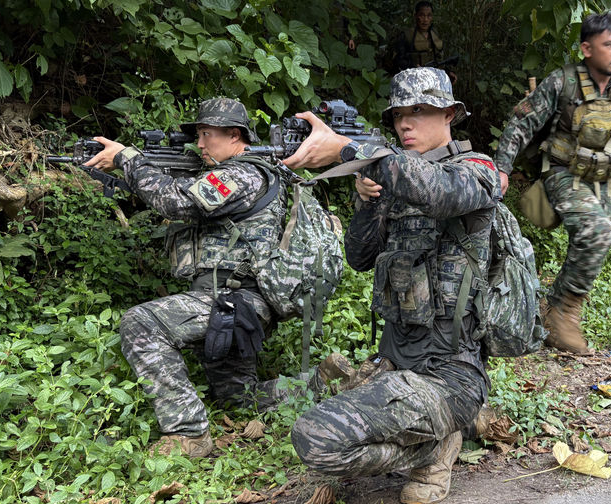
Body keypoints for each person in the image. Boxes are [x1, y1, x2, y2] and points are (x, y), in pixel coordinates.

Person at [283, 67, 499, 504]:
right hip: (397, 361)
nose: (405, 122)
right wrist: (366, 202)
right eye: (399, 113)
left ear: (449, 115)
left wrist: (350, 148)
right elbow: (359, 258)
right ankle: (437, 438)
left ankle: (437, 446)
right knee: (313, 427)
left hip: (451, 373)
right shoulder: (394, 178)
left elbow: (441, 193)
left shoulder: (477, 171)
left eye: (419, 110)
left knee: (318, 436)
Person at [83, 98, 295, 457]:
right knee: (238, 399)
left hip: (231, 302)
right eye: (198, 135)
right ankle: (325, 383)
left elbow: (177, 203)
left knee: (141, 323)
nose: (199, 144)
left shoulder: (243, 174)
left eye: (206, 134)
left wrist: (128, 159)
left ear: (234, 136)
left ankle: (188, 433)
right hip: (231, 305)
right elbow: (168, 196)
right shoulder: (226, 173)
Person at [494, 11, 611, 355]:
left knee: (589, 243)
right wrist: (501, 168)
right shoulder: (562, 82)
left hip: (605, 180)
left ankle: (555, 303)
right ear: (587, 48)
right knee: (599, 233)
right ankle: (564, 313)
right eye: (608, 45)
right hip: (563, 173)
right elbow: (522, 124)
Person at [392, 1, 457, 83]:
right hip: (413, 80)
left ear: (432, 18)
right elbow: (397, 60)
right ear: (416, 16)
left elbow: (439, 59)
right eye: (422, 15)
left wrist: (448, 72)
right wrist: (413, 66)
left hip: (434, 80)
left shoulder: (435, 34)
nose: (425, 19)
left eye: (429, 16)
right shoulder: (407, 35)